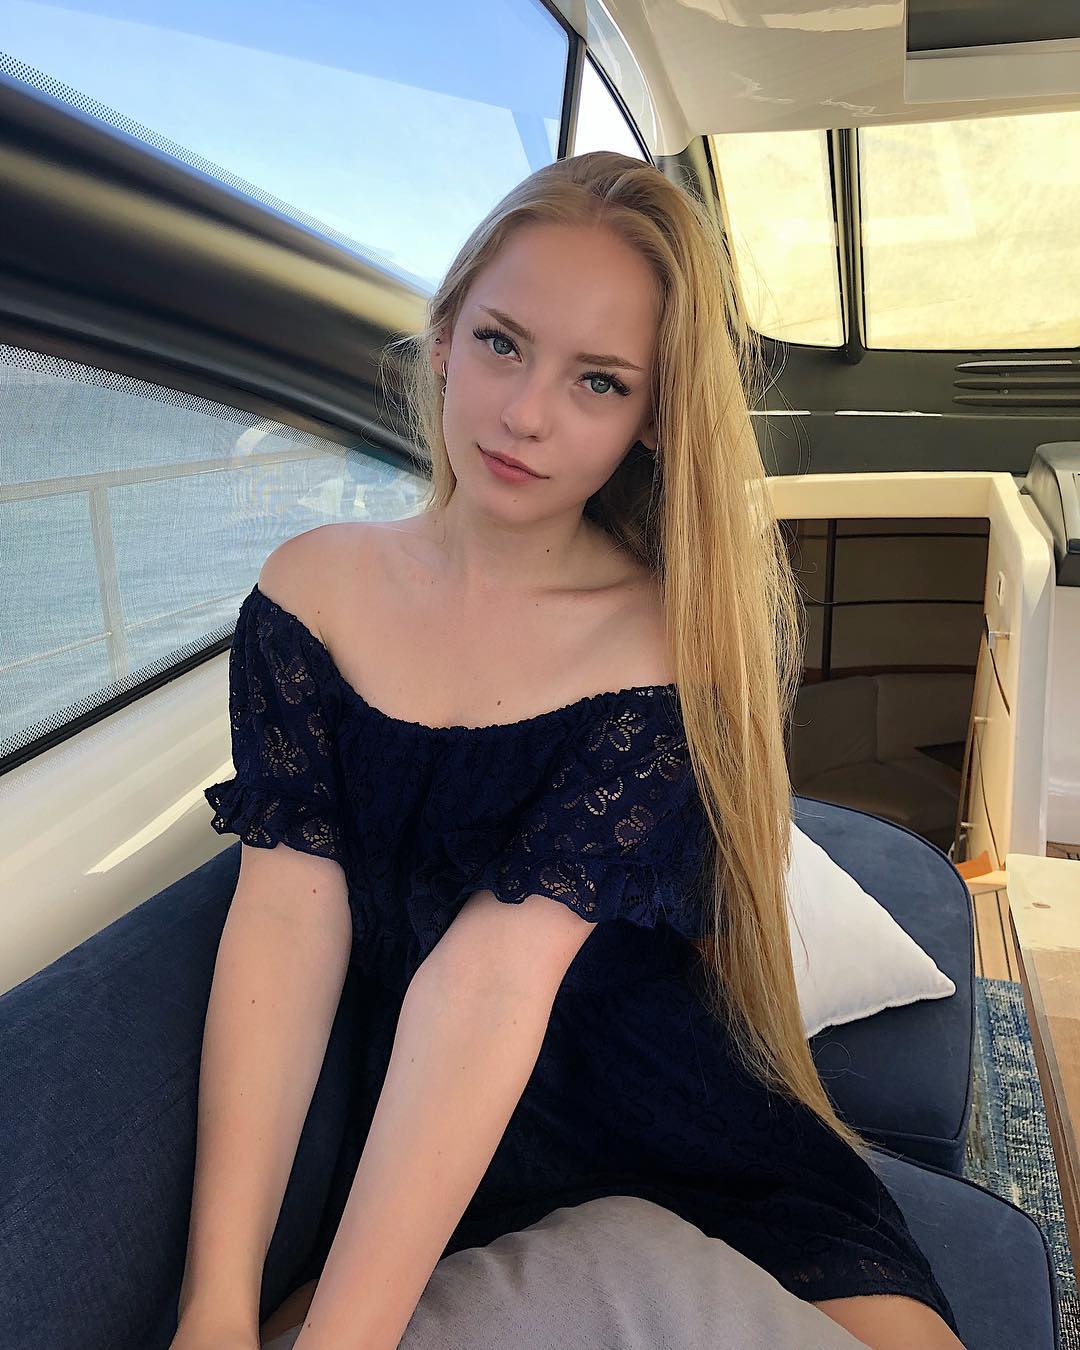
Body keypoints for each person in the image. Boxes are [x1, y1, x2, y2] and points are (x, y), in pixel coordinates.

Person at [175, 151, 964, 1349]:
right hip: (440, 1150)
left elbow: (493, 979)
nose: (527, 413)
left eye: (599, 381)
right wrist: (214, 1304)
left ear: (652, 421)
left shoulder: (668, 646)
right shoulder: (309, 593)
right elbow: (286, 922)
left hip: (677, 1125)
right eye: (503, 343)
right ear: (444, 338)